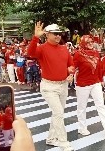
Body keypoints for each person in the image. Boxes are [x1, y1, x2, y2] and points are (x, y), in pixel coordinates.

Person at [27, 22, 75, 151]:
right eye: (55, 34)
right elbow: (30, 53)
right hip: (49, 86)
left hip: (63, 85)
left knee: (57, 113)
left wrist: (71, 72)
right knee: (59, 113)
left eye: (59, 34)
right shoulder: (42, 48)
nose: (58, 36)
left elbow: (71, 65)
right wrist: (35, 37)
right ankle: (63, 142)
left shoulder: (64, 48)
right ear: (47, 35)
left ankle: (51, 138)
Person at [73, 35, 105, 137]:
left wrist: (101, 79)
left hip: (95, 82)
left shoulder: (96, 53)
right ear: (83, 43)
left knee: (101, 105)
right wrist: (70, 74)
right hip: (82, 84)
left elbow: (99, 68)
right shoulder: (78, 54)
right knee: (82, 107)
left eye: (91, 42)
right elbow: (72, 67)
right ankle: (82, 128)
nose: (90, 44)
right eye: (88, 42)